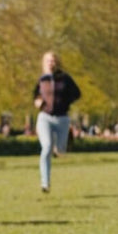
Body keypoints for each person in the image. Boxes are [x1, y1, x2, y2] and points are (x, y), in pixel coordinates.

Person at [33, 51, 81, 192]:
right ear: (44, 63)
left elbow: (77, 93)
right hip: (45, 118)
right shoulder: (41, 80)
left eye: (53, 60)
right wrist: (37, 102)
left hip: (62, 119)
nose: (50, 63)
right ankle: (45, 183)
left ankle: (59, 145)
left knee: (60, 151)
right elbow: (35, 95)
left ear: (57, 62)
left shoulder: (65, 78)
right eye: (48, 60)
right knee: (46, 147)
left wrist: (65, 102)